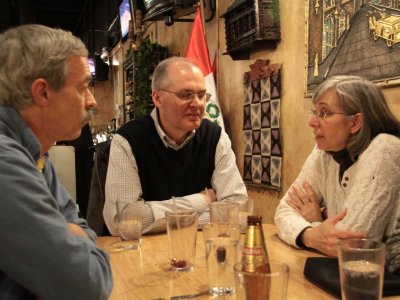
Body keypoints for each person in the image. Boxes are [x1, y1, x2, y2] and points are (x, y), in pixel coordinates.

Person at [0, 25, 113, 299]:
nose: (92, 101)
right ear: (43, 93)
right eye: (84, 87)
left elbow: (80, 226)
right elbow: (87, 284)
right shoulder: (5, 162)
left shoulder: (36, 154)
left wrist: (70, 232)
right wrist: (69, 234)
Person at [104, 57, 247, 235]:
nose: (197, 104)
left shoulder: (215, 137)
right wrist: (202, 200)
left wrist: (167, 218)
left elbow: (237, 208)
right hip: (144, 255)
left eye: (202, 95)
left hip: (200, 252)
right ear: (157, 98)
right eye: (186, 95)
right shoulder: (128, 140)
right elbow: (122, 221)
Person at [275, 75, 400, 258]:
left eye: (324, 113)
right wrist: (311, 234)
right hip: (349, 277)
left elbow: (351, 244)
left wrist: (316, 221)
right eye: (314, 112)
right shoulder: (324, 152)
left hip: (382, 281)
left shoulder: (385, 149)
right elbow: (283, 211)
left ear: (356, 122)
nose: (312, 122)